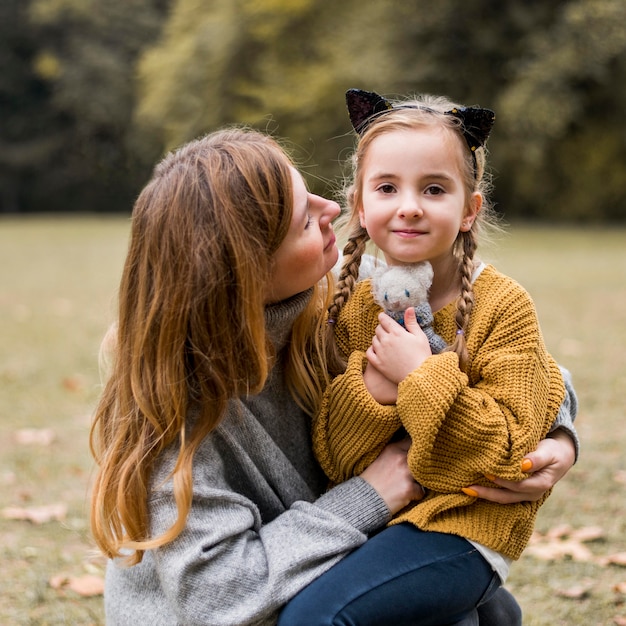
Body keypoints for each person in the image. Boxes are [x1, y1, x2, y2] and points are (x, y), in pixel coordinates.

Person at [89, 126, 577, 626]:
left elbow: (518, 364)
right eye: (304, 220)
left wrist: (558, 441)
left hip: (333, 567)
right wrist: (370, 494)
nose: (333, 209)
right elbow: (219, 597)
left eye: (310, 193)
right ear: (246, 274)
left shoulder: (362, 289)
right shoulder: (178, 417)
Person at [279, 89, 578, 626]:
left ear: (469, 210)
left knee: (315, 619)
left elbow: (505, 454)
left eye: (434, 189)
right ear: (361, 207)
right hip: (387, 523)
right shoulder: (352, 307)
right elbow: (339, 461)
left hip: (466, 525)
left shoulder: (501, 306)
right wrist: (373, 391)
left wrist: (420, 375)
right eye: (388, 187)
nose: (410, 205)